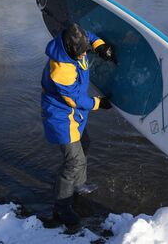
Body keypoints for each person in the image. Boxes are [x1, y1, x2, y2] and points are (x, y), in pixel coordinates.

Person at [40, 23, 114, 227]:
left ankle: (79, 185)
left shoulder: (73, 37)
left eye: (85, 52)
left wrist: (99, 46)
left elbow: (87, 35)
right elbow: (75, 100)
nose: (84, 56)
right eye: (81, 54)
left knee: (85, 144)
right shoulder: (60, 71)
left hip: (74, 115)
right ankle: (61, 207)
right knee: (74, 161)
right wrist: (100, 103)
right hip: (61, 116)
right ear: (71, 51)